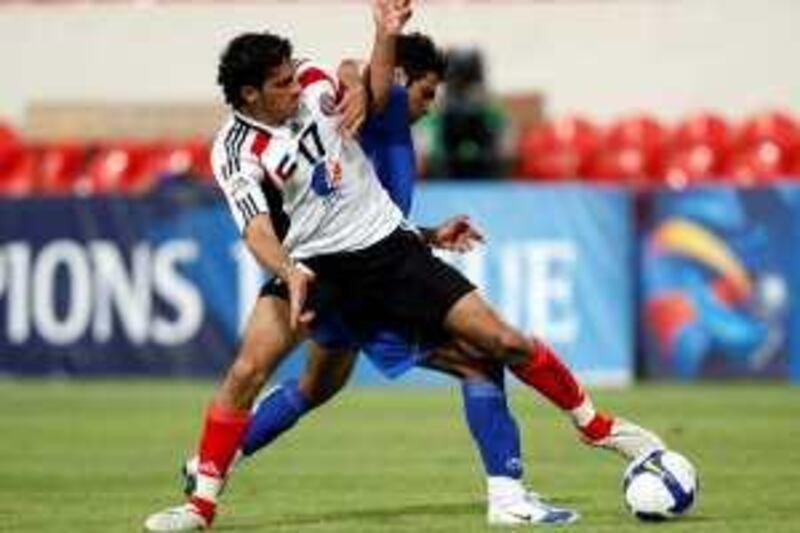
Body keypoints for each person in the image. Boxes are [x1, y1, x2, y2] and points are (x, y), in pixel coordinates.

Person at [145, 5, 662, 530]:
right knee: (252, 371)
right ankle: (200, 505)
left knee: (490, 347)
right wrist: (291, 269)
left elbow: (357, 81)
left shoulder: (314, 84)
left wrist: (382, 35)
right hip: (317, 269)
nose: (295, 87)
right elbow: (257, 229)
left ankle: (592, 429)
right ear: (251, 94)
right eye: (281, 83)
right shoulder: (235, 152)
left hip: (390, 253)